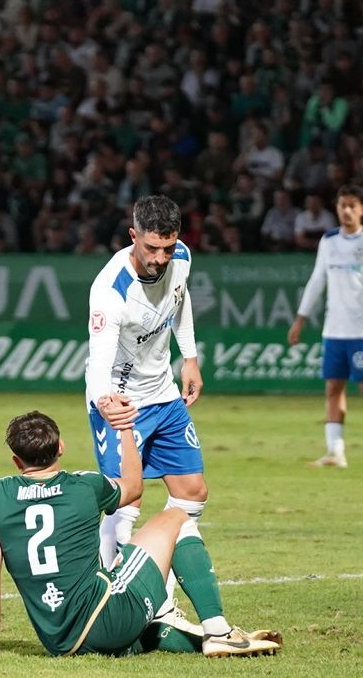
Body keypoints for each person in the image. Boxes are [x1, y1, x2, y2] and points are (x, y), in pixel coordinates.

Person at [82, 194, 259, 648]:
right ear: (133, 236)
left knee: (192, 493)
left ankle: (156, 583)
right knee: (125, 500)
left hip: (163, 394)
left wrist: (191, 358)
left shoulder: (180, 258)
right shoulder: (110, 291)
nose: (160, 259)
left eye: (167, 247)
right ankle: (111, 594)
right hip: (121, 403)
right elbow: (99, 360)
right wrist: (107, 403)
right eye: (151, 249)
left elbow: (181, 303)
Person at [0, 407, 279, 659]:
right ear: (61, 447)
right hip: (106, 619)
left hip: (62, 645)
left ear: (16, 461)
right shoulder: (85, 486)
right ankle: (217, 631)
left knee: (121, 580)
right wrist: (126, 429)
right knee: (176, 517)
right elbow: (133, 487)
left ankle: (180, 635)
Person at [287, 184, 363, 469]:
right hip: (334, 330)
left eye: (352, 205)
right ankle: (335, 452)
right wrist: (301, 318)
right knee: (333, 388)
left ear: (362, 209)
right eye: (342, 205)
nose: (346, 210)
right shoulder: (329, 241)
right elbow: (317, 280)